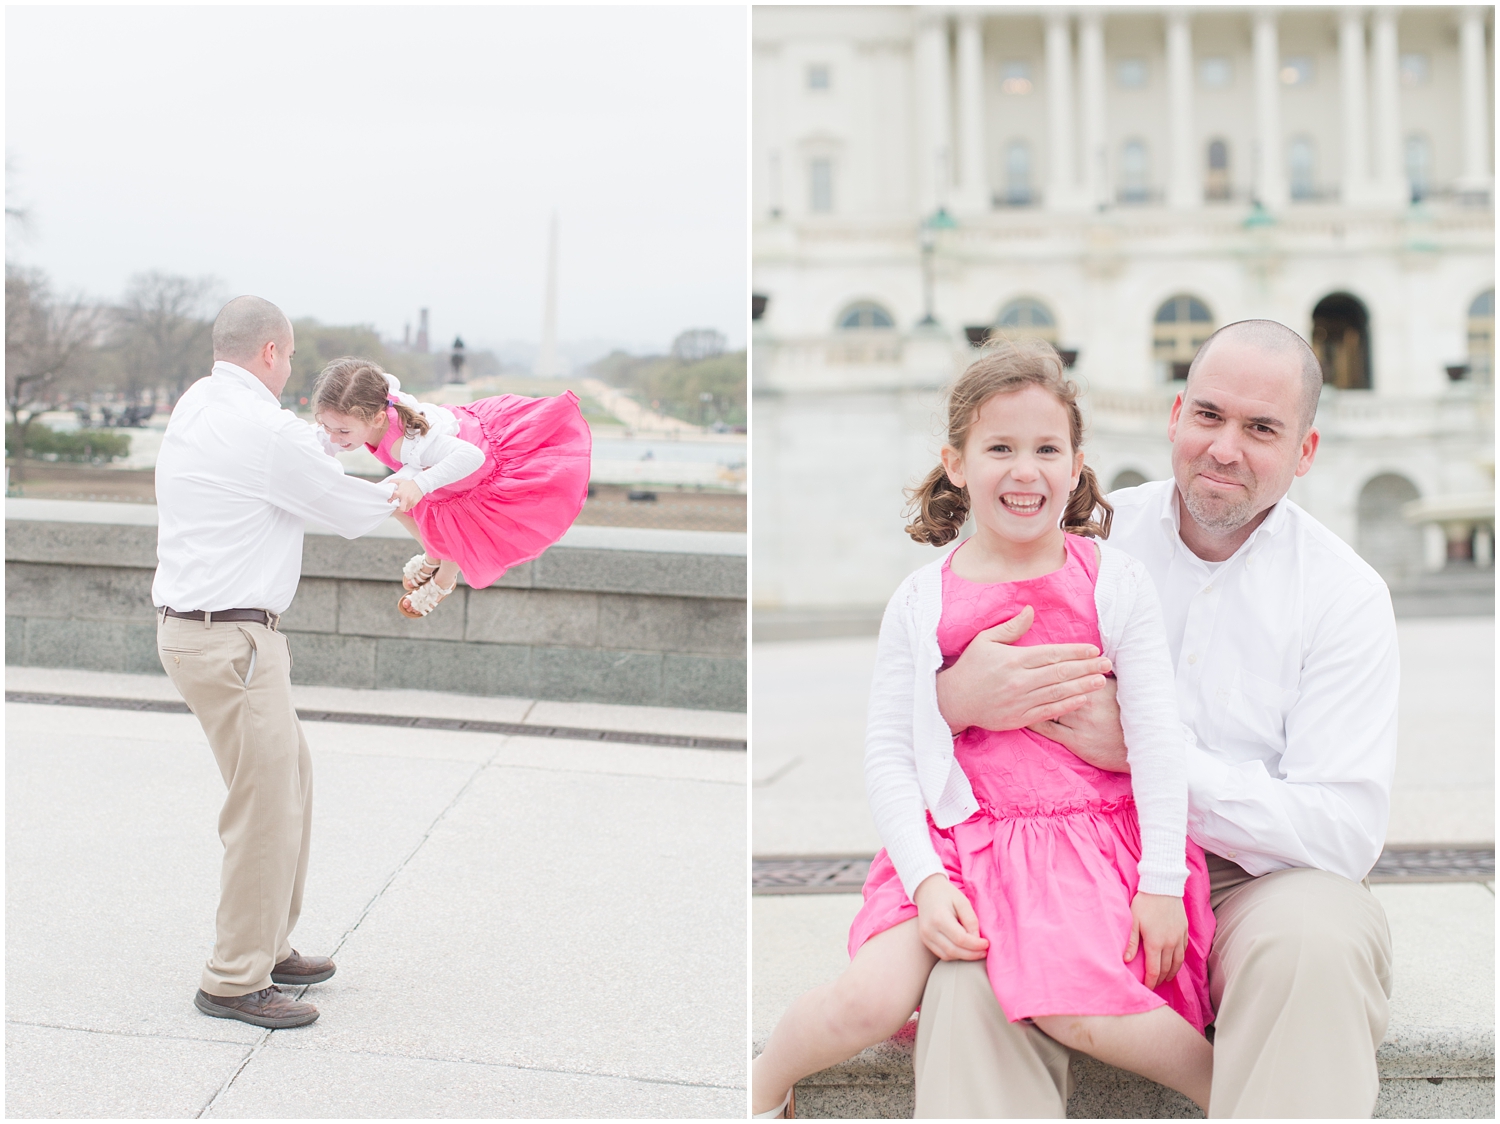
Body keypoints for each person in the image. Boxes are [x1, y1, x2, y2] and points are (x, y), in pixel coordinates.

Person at [916, 319, 1397, 1118]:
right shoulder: (1078, 537)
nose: (1223, 448)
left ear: (1305, 452)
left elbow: (1342, 831)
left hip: (1259, 882)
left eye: (1262, 428)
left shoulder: (1345, 597)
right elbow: (928, 699)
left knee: (1316, 943)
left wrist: (1147, 755)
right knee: (967, 979)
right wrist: (952, 698)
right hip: (1081, 860)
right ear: (1175, 416)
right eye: (1209, 416)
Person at [752, 342, 1217, 1119]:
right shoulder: (920, 601)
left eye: (1045, 449)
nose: (1024, 470)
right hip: (952, 845)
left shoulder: (1114, 581)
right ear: (957, 463)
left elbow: (1159, 741)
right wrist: (927, 882)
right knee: (864, 1003)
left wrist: (1162, 880)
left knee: (1077, 1003)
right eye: (999, 448)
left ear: (1075, 467)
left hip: (1083, 845)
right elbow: (891, 755)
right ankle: (763, 1086)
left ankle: (1236, 1095)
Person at [153, 296, 406, 1028]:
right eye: (290, 357)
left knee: (288, 778)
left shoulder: (197, 404)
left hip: (202, 633)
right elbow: (354, 510)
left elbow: (295, 468)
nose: (290, 369)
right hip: (231, 641)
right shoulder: (265, 428)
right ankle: (233, 978)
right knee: (264, 808)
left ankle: (269, 944)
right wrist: (418, 480)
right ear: (270, 352)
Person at [310, 357, 592, 617]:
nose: (334, 438)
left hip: (470, 465)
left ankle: (445, 578)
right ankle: (433, 556)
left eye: (343, 431)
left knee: (452, 522)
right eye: (327, 426)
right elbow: (377, 384)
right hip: (444, 451)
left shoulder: (410, 444)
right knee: (394, 499)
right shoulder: (375, 398)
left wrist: (420, 484)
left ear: (377, 418)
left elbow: (472, 456)